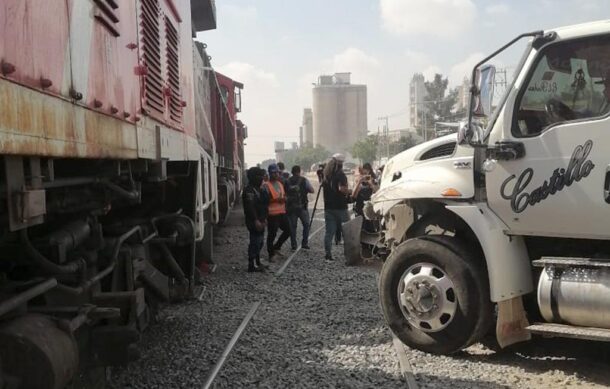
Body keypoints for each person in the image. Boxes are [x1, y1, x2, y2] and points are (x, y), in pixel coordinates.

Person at [322, 153, 350, 261]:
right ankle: (349, 255)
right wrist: (350, 191)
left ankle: (328, 254)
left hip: (328, 208)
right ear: (341, 163)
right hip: (341, 207)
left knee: (329, 232)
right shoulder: (341, 175)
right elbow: (341, 189)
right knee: (347, 232)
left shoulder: (326, 175)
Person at [242, 167, 268, 272]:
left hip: (261, 219)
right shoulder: (249, 191)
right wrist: (256, 220)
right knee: (255, 242)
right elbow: (250, 207)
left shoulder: (260, 189)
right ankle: (251, 265)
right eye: (259, 176)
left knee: (260, 242)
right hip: (254, 221)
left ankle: (257, 262)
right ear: (253, 177)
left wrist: (265, 218)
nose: (261, 178)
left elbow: (265, 204)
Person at [263, 163, 291, 261]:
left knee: (288, 230)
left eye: (277, 172)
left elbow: (282, 195)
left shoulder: (280, 184)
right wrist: (276, 200)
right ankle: (271, 254)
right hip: (272, 214)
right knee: (272, 234)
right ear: (270, 173)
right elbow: (264, 201)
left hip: (282, 212)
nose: (276, 174)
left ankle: (276, 247)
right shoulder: (266, 185)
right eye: (274, 173)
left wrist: (285, 198)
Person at [286, 165, 315, 250]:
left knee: (293, 227)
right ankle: (304, 243)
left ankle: (293, 245)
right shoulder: (304, 180)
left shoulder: (287, 181)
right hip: (302, 207)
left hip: (291, 208)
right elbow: (312, 190)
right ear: (299, 171)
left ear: (292, 171)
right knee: (306, 225)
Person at [352, 162, 379, 233]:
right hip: (359, 206)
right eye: (361, 173)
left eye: (365, 172)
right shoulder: (358, 181)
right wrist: (359, 182)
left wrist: (371, 183)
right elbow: (353, 194)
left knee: (370, 227)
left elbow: (377, 191)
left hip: (370, 206)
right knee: (361, 227)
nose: (364, 175)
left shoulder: (373, 179)